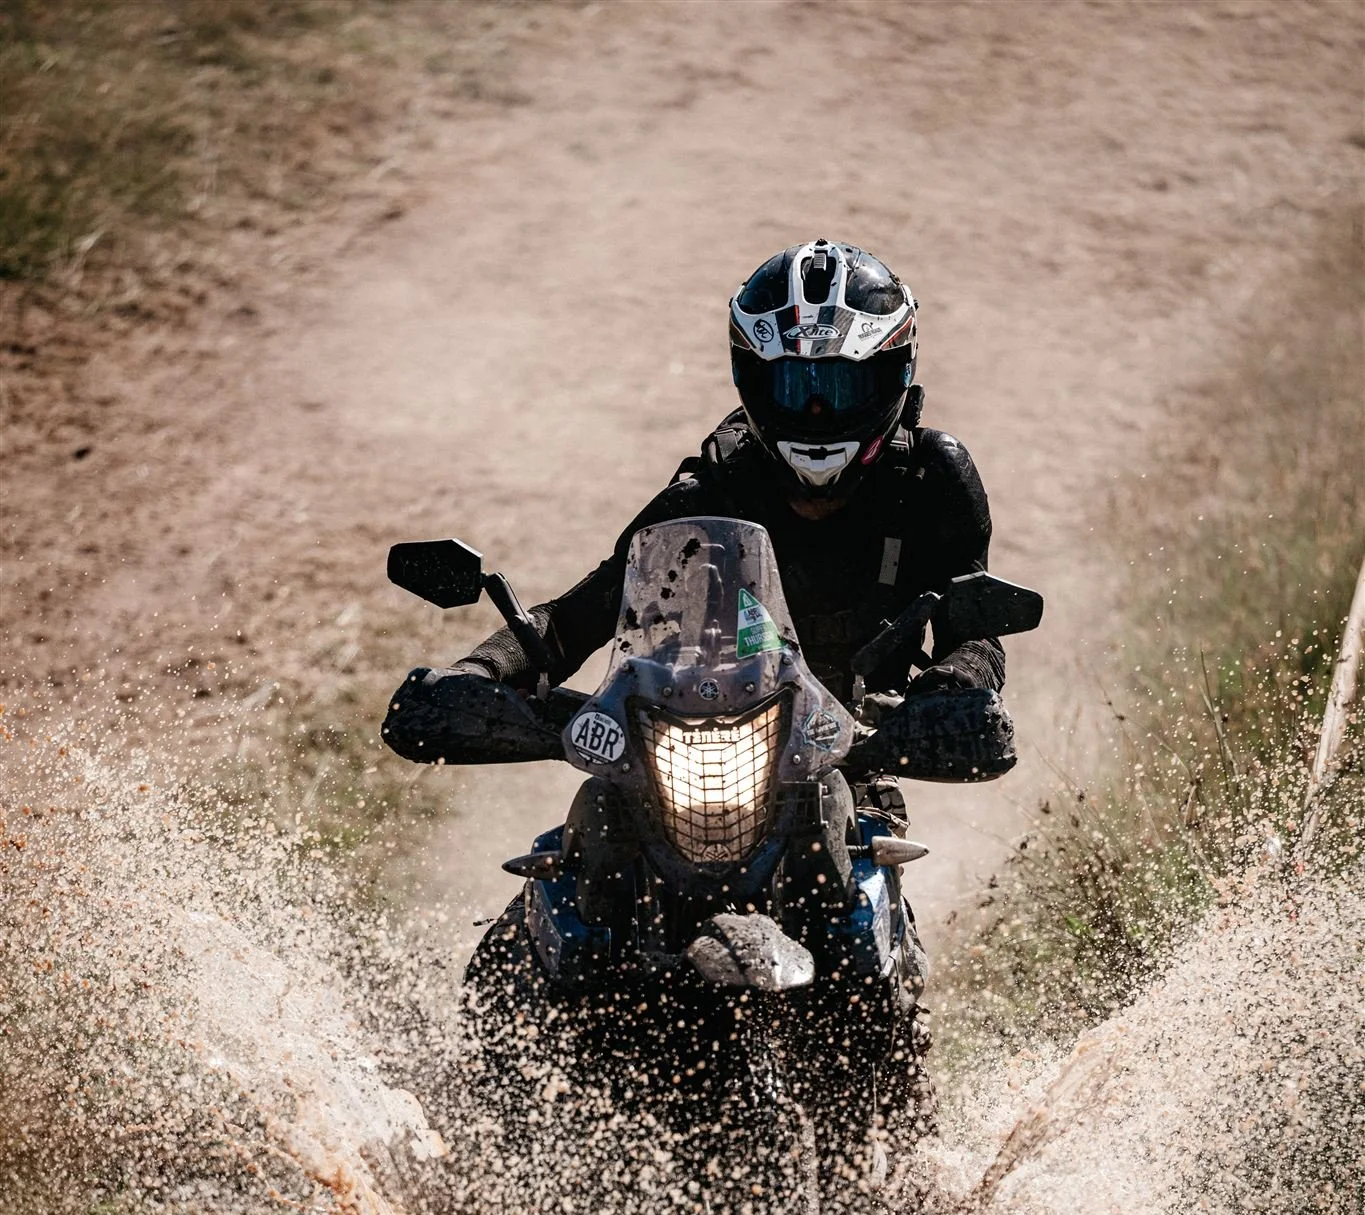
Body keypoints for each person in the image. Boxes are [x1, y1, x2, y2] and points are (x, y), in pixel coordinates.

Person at [381, 238, 1016, 798]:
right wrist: (480, 673)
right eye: (795, 386)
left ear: (893, 375)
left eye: (841, 386)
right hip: (682, 752)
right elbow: (582, 615)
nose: (818, 413)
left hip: (850, 757)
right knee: (561, 874)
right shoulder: (712, 485)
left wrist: (953, 686)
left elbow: (973, 627)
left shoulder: (933, 479)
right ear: (751, 380)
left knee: (871, 895)